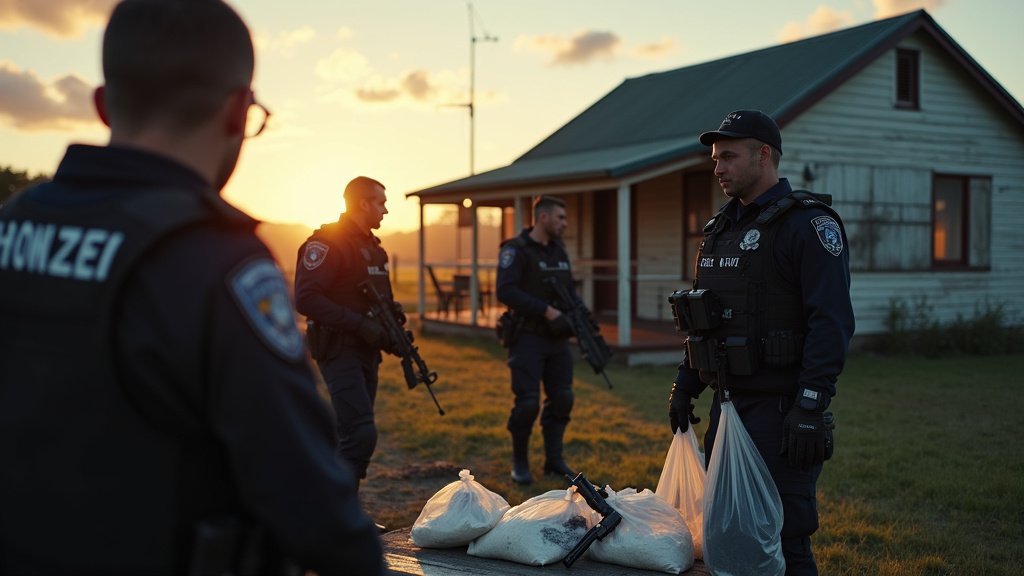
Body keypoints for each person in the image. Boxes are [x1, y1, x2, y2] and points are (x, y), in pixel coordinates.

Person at [0, 1, 384, 574]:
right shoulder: (218, 262)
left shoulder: (13, 226)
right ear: (237, 112)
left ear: (103, 105)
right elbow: (305, 492)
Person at [667, 110, 855, 575]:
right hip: (726, 407)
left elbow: (830, 322)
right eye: (715, 158)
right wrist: (685, 385)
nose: (718, 168)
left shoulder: (808, 225)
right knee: (729, 532)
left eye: (728, 156)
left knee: (785, 535)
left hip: (780, 408)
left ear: (763, 155)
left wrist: (810, 404)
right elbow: (701, 319)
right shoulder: (719, 231)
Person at [294, 176, 397, 495]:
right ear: (363, 203)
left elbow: (382, 300)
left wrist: (395, 326)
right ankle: (343, 517)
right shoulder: (327, 242)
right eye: (380, 202)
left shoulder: (373, 249)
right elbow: (306, 298)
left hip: (367, 350)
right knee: (360, 432)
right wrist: (359, 324)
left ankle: (336, 510)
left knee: (348, 433)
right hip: (338, 349)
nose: (385, 210)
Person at [496, 196, 580, 485]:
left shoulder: (559, 250)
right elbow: (505, 291)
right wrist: (545, 310)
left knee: (562, 398)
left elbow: (570, 291)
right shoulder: (515, 250)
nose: (564, 224)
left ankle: (554, 460)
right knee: (527, 403)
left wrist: (579, 322)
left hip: (557, 340)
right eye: (560, 218)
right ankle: (520, 461)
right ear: (542, 217)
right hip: (527, 338)